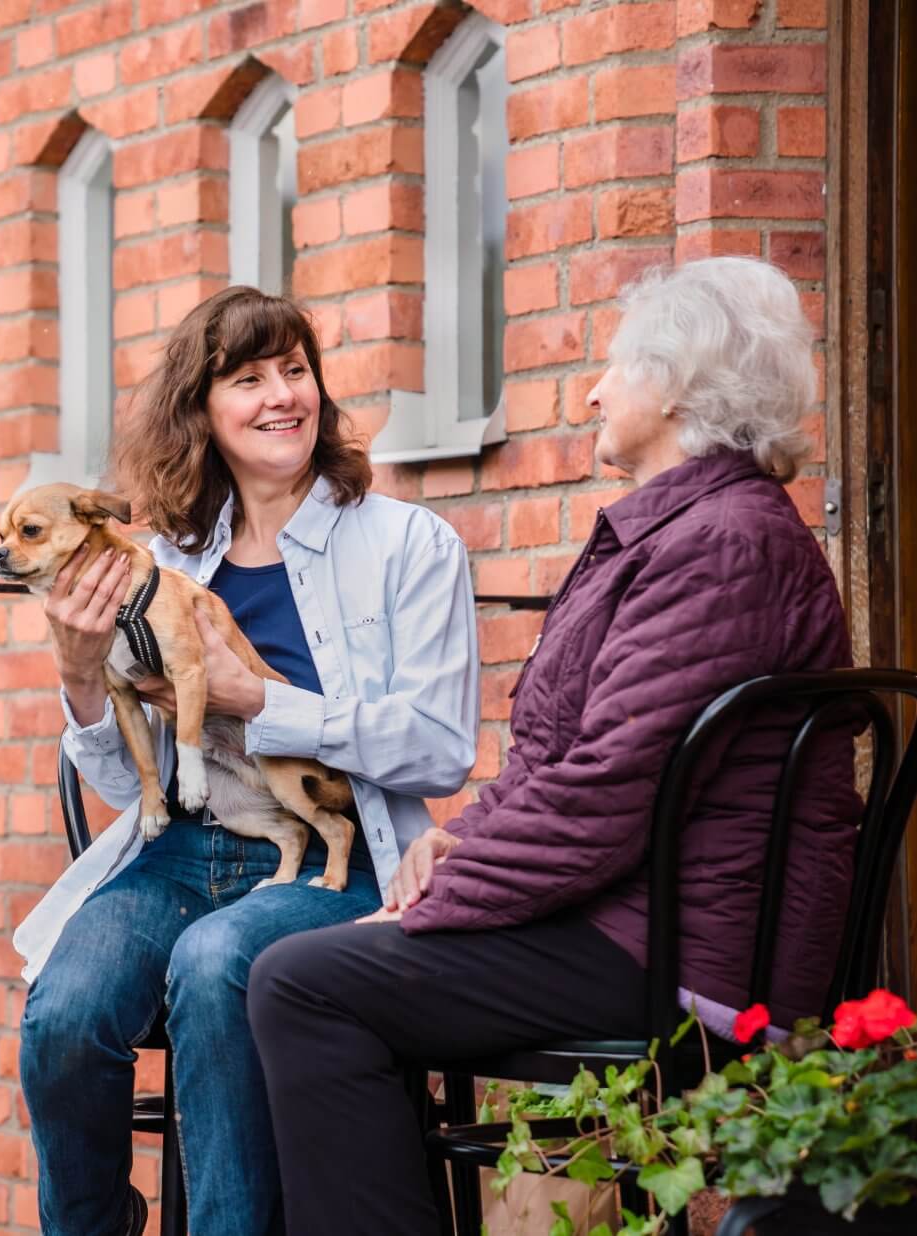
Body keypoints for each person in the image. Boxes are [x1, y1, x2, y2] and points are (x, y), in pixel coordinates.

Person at [247, 256, 861, 1236]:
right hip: (630, 918)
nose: (593, 389)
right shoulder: (686, 533)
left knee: (305, 983)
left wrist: (439, 902)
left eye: (616, 365)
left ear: (676, 387)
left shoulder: (720, 547)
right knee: (311, 969)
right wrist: (455, 846)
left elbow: (607, 791)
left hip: (683, 952)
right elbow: (561, 763)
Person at [13, 286, 480, 1236]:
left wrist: (261, 701)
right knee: (65, 1010)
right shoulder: (166, 560)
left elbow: (438, 750)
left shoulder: (406, 544)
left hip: (336, 860)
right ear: (203, 412)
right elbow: (118, 784)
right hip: (181, 854)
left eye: (295, 371)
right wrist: (79, 676)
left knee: (217, 960)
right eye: (247, 378)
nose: (281, 396)